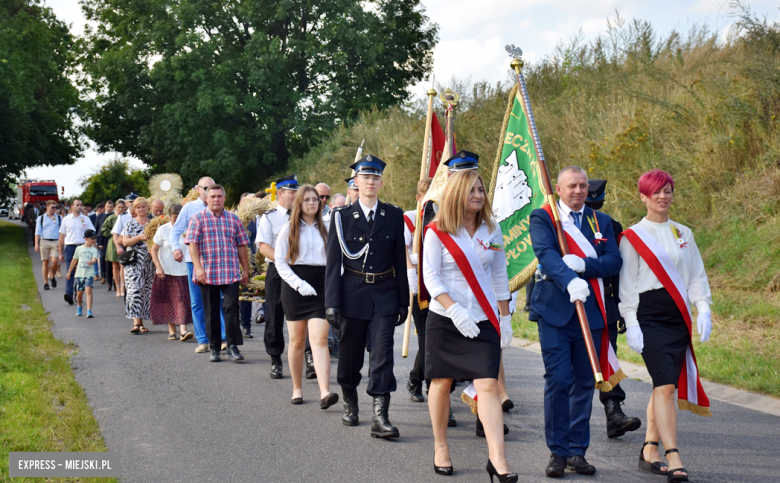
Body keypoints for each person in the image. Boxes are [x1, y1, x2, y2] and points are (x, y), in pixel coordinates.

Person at [619, 169, 713, 483]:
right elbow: (627, 286)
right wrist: (631, 322)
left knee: (665, 383)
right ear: (643, 196)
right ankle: (673, 455)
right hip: (649, 316)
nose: (662, 197)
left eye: (667, 191)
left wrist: (703, 308)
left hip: (678, 317)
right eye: (655, 192)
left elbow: (696, 275)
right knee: (665, 385)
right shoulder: (633, 236)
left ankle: (649, 448)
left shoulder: (683, 233)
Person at [528, 165, 622, 477]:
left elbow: (613, 261)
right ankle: (557, 451)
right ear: (558, 188)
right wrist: (570, 280)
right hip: (555, 312)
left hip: (592, 314)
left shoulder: (602, 221)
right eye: (572, 186)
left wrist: (583, 264)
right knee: (558, 380)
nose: (579, 191)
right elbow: (546, 254)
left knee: (585, 381)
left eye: (583, 186)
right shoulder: (544, 217)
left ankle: (577, 451)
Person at [422, 168, 515, 480]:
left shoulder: (492, 229)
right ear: (456, 195)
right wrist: (455, 311)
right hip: (447, 319)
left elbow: (500, 276)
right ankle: (440, 445)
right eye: (472, 190)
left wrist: (505, 317)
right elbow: (430, 276)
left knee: (488, 384)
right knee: (442, 383)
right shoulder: (436, 231)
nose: (478, 195)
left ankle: (497, 459)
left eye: (481, 189)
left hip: (483, 316)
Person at [324, 155, 409, 438]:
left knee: (383, 355)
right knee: (349, 356)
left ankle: (380, 416)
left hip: (384, 294)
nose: (370, 182)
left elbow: (399, 259)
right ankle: (350, 400)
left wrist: (403, 300)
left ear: (381, 182)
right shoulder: (341, 217)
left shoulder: (394, 215)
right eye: (365, 178)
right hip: (352, 295)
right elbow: (334, 263)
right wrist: (332, 303)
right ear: (356, 182)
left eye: (375, 178)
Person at [583, 180, 642, 439]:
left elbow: (620, 270)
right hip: (571, 302)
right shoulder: (563, 225)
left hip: (604, 303)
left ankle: (613, 411)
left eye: (598, 202)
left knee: (608, 355)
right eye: (590, 202)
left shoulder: (611, 225)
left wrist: (621, 306)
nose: (595, 206)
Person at [274, 185, 339, 408]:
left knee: (320, 340)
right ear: (299, 203)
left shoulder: (328, 227)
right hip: (295, 286)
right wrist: (299, 285)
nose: (312, 203)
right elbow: (280, 262)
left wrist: (334, 283)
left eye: (315, 200)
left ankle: (324, 392)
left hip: (321, 285)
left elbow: (336, 260)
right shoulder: (288, 229)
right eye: (307, 200)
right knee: (297, 341)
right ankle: (297, 388)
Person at [186, 184, 250, 362]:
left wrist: (245, 269)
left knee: (231, 308)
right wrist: (198, 268)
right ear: (206, 198)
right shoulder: (198, 219)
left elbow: (241, 246)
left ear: (224, 197)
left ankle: (232, 346)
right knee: (211, 310)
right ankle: (214, 347)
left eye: (219, 196)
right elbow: (193, 245)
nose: (216, 199)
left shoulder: (233, 219)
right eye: (212, 196)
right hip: (208, 273)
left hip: (229, 272)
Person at [169, 177, 227, 354]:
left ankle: (222, 337)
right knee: (197, 302)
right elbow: (175, 231)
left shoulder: (220, 207)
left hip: (216, 261)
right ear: (198, 189)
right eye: (205, 188)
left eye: (212, 187)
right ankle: (202, 340)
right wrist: (175, 249)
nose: (210, 191)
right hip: (193, 261)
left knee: (217, 300)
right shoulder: (189, 208)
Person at [257, 174, 298, 378]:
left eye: (296, 192)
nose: (295, 196)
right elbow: (264, 247)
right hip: (277, 271)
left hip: (301, 270)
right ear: (280, 194)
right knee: (274, 315)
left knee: (303, 315)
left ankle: (307, 357)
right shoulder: (269, 217)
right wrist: (284, 263)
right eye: (291, 192)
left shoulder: (304, 215)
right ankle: (275, 358)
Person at [404, 177, 432, 403]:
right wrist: (411, 269)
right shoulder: (409, 218)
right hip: (418, 287)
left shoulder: (444, 217)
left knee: (438, 339)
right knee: (427, 337)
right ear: (418, 198)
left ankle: (416, 377)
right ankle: (429, 387)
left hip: (443, 285)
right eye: (427, 197)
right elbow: (402, 248)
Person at [150, 203, 194, 341]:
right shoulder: (163, 229)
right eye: (175, 218)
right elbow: (154, 250)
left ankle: (183, 330)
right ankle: (171, 330)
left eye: (180, 218)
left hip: (184, 271)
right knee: (169, 300)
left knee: (182, 300)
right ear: (170, 216)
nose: (177, 221)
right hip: (167, 271)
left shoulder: (189, 228)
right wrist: (158, 267)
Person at [121, 197, 154, 334]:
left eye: (143, 206)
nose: (141, 209)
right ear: (134, 209)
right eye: (138, 207)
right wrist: (139, 238)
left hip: (150, 261)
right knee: (135, 290)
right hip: (133, 262)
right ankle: (136, 323)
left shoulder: (153, 223)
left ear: (148, 208)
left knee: (146, 291)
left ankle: (141, 323)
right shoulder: (130, 224)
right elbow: (125, 242)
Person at [58, 199, 95, 305]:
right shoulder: (66, 219)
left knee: (81, 272)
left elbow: (92, 233)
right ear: (72, 207)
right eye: (77, 205)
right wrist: (60, 252)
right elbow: (61, 237)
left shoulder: (86, 219)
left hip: (83, 247)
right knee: (70, 270)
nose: (79, 206)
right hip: (70, 247)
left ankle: (77, 293)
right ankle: (68, 293)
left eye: (80, 205)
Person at [66, 230, 99, 318]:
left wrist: (92, 262)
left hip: (89, 273)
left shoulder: (94, 250)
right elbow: (74, 260)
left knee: (88, 290)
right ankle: (79, 306)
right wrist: (69, 272)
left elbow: (94, 259)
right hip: (80, 274)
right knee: (79, 293)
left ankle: (89, 310)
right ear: (86, 239)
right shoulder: (79, 249)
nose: (94, 240)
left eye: (95, 238)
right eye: (92, 238)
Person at [238, 193, 257, 339]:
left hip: (252, 262)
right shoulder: (234, 218)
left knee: (247, 295)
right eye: (247, 203)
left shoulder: (258, 219)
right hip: (235, 262)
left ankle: (246, 326)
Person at [34, 200, 62, 291]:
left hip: (55, 241)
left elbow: (62, 231)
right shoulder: (41, 218)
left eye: (55, 207)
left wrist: (62, 242)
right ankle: (45, 283)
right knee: (45, 262)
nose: (54, 209)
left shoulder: (58, 217)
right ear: (47, 208)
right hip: (44, 241)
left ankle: (52, 276)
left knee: (55, 261)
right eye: (52, 207)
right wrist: (36, 244)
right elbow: (37, 232)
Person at [112, 196, 135, 297]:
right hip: (126, 245)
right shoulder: (123, 216)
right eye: (130, 201)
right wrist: (118, 247)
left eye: (133, 201)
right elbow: (116, 233)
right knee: (123, 267)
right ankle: (121, 288)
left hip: (140, 246)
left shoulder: (143, 214)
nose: (132, 203)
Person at [102, 200, 125, 295]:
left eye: (122, 207)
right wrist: (112, 235)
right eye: (118, 207)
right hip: (113, 243)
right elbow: (103, 229)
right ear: (115, 207)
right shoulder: (110, 218)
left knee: (123, 265)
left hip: (124, 241)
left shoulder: (126, 218)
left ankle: (123, 287)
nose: (120, 209)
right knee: (115, 266)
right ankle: (117, 287)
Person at [96, 201, 114, 285]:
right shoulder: (100, 215)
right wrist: (98, 242)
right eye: (107, 206)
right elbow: (97, 229)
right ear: (105, 207)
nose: (109, 208)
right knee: (102, 258)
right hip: (102, 239)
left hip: (112, 239)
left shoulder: (115, 216)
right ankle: (103, 276)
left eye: (111, 207)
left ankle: (111, 277)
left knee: (111, 259)